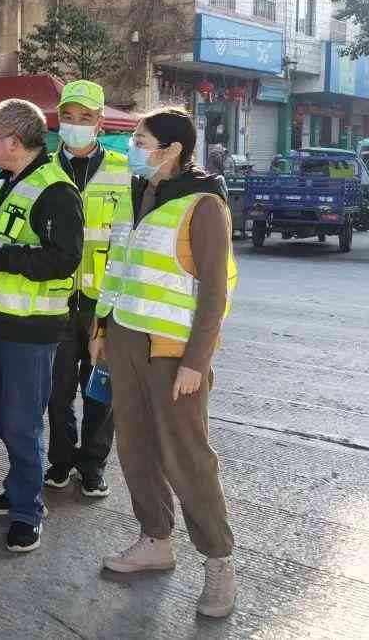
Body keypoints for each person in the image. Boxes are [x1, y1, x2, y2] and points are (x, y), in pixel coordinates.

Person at [90, 107, 238, 618]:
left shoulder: (203, 205)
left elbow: (215, 293)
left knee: (186, 458)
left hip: (173, 353)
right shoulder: (137, 192)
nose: (132, 144)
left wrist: (197, 360)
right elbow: (117, 267)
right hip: (127, 343)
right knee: (134, 448)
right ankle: (155, 539)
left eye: (140, 137)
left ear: (172, 149)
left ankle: (218, 563)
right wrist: (102, 328)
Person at [0, 99, 84, 553]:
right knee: (4, 418)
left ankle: (28, 511)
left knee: (21, 423)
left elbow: (64, 258)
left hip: (31, 327)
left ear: (13, 141)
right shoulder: (6, 180)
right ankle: (18, 490)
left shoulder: (56, 191)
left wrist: (1, 257)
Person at [45, 81, 131, 498]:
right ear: (58, 119)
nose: (75, 125)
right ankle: (60, 461)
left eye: (85, 118)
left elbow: (132, 239)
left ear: (100, 122)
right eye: (68, 117)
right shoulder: (43, 169)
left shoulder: (124, 169)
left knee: (101, 391)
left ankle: (93, 465)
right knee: (56, 391)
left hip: (103, 303)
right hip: (55, 301)